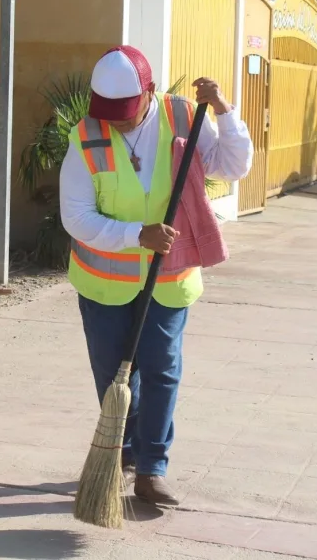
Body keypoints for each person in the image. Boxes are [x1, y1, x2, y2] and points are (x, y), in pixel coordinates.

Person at [59, 45, 254, 506]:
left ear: (148, 92)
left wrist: (224, 110)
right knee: (115, 376)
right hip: (103, 282)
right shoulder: (86, 136)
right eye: (109, 113)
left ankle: (152, 468)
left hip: (170, 277)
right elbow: (76, 216)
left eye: (126, 112)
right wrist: (134, 235)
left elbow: (233, 165)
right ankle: (123, 451)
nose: (119, 122)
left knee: (162, 369)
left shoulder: (185, 116)